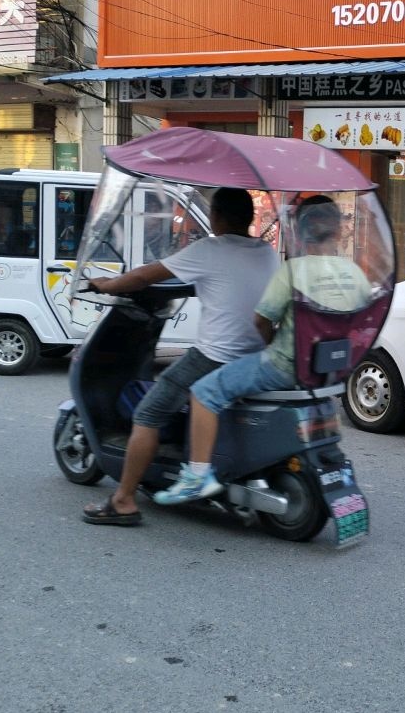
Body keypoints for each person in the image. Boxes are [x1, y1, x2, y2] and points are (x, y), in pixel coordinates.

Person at [154, 196, 371, 505]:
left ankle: (196, 476)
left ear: (300, 231)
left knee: (203, 393)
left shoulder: (293, 271)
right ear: (338, 230)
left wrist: (270, 346)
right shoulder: (356, 275)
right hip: (329, 370)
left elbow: (261, 320)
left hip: (284, 366)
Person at [82, 187, 278, 526]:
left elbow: (144, 276)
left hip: (215, 355)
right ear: (248, 217)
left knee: (148, 413)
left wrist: (108, 284)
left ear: (216, 217)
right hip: (254, 353)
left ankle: (123, 500)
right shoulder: (267, 252)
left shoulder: (210, 250)